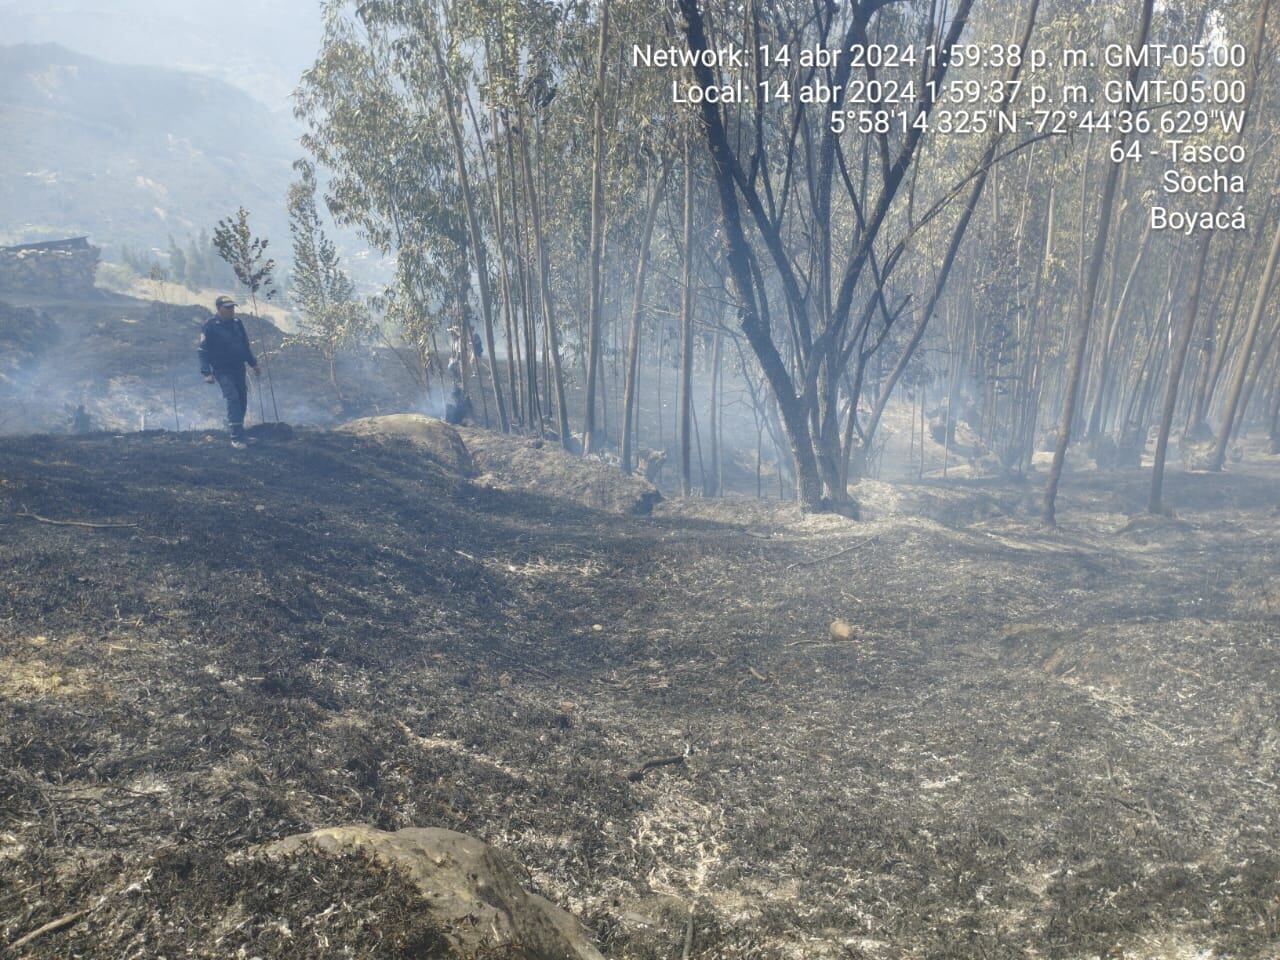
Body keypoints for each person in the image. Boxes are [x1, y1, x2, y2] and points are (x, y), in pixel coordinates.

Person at [199, 295, 260, 448]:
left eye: (232, 307)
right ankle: (236, 438)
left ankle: (240, 433)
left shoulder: (237, 323)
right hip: (222, 369)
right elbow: (203, 350)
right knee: (232, 397)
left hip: (239, 367)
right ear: (219, 309)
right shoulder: (210, 325)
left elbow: (245, 345)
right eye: (228, 308)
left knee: (241, 398)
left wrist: (253, 364)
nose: (232, 310)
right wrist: (206, 372)